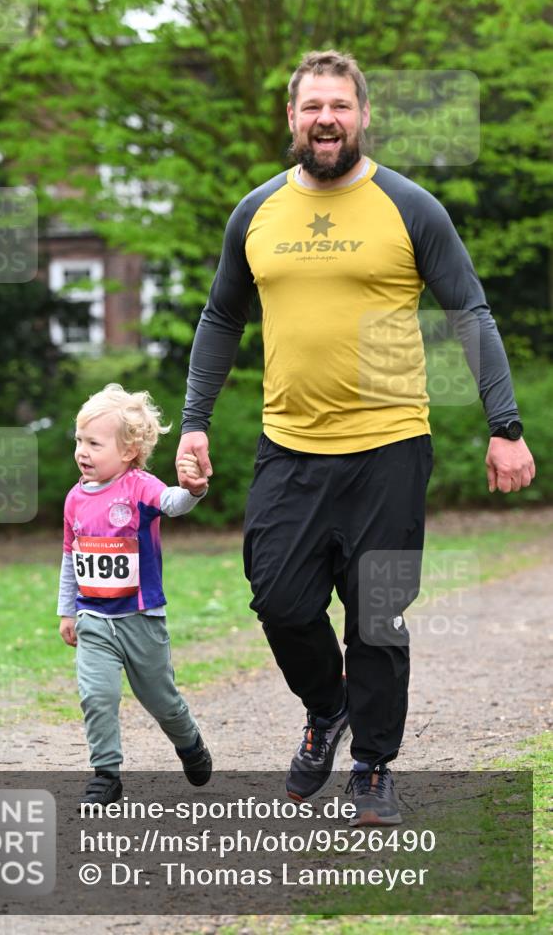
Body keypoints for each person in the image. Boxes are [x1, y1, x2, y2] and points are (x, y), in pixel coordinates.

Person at [176, 49, 535, 825]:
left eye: (339, 106)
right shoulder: (256, 211)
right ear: (292, 118)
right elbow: (220, 318)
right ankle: (326, 706)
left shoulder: (409, 206)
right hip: (289, 446)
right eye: (312, 107)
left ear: (362, 115)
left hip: (389, 444)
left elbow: (468, 312)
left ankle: (372, 767)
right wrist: (194, 421)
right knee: (279, 600)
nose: (326, 119)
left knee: (375, 615)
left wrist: (503, 426)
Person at [58, 383, 212, 810]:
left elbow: (174, 503)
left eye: (94, 443)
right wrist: (67, 610)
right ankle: (106, 775)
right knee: (97, 696)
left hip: (141, 617)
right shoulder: (74, 499)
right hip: (93, 619)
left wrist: (195, 489)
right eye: (79, 441)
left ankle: (190, 743)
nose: (82, 451)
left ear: (127, 451)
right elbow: (70, 558)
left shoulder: (139, 486)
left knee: (161, 700)